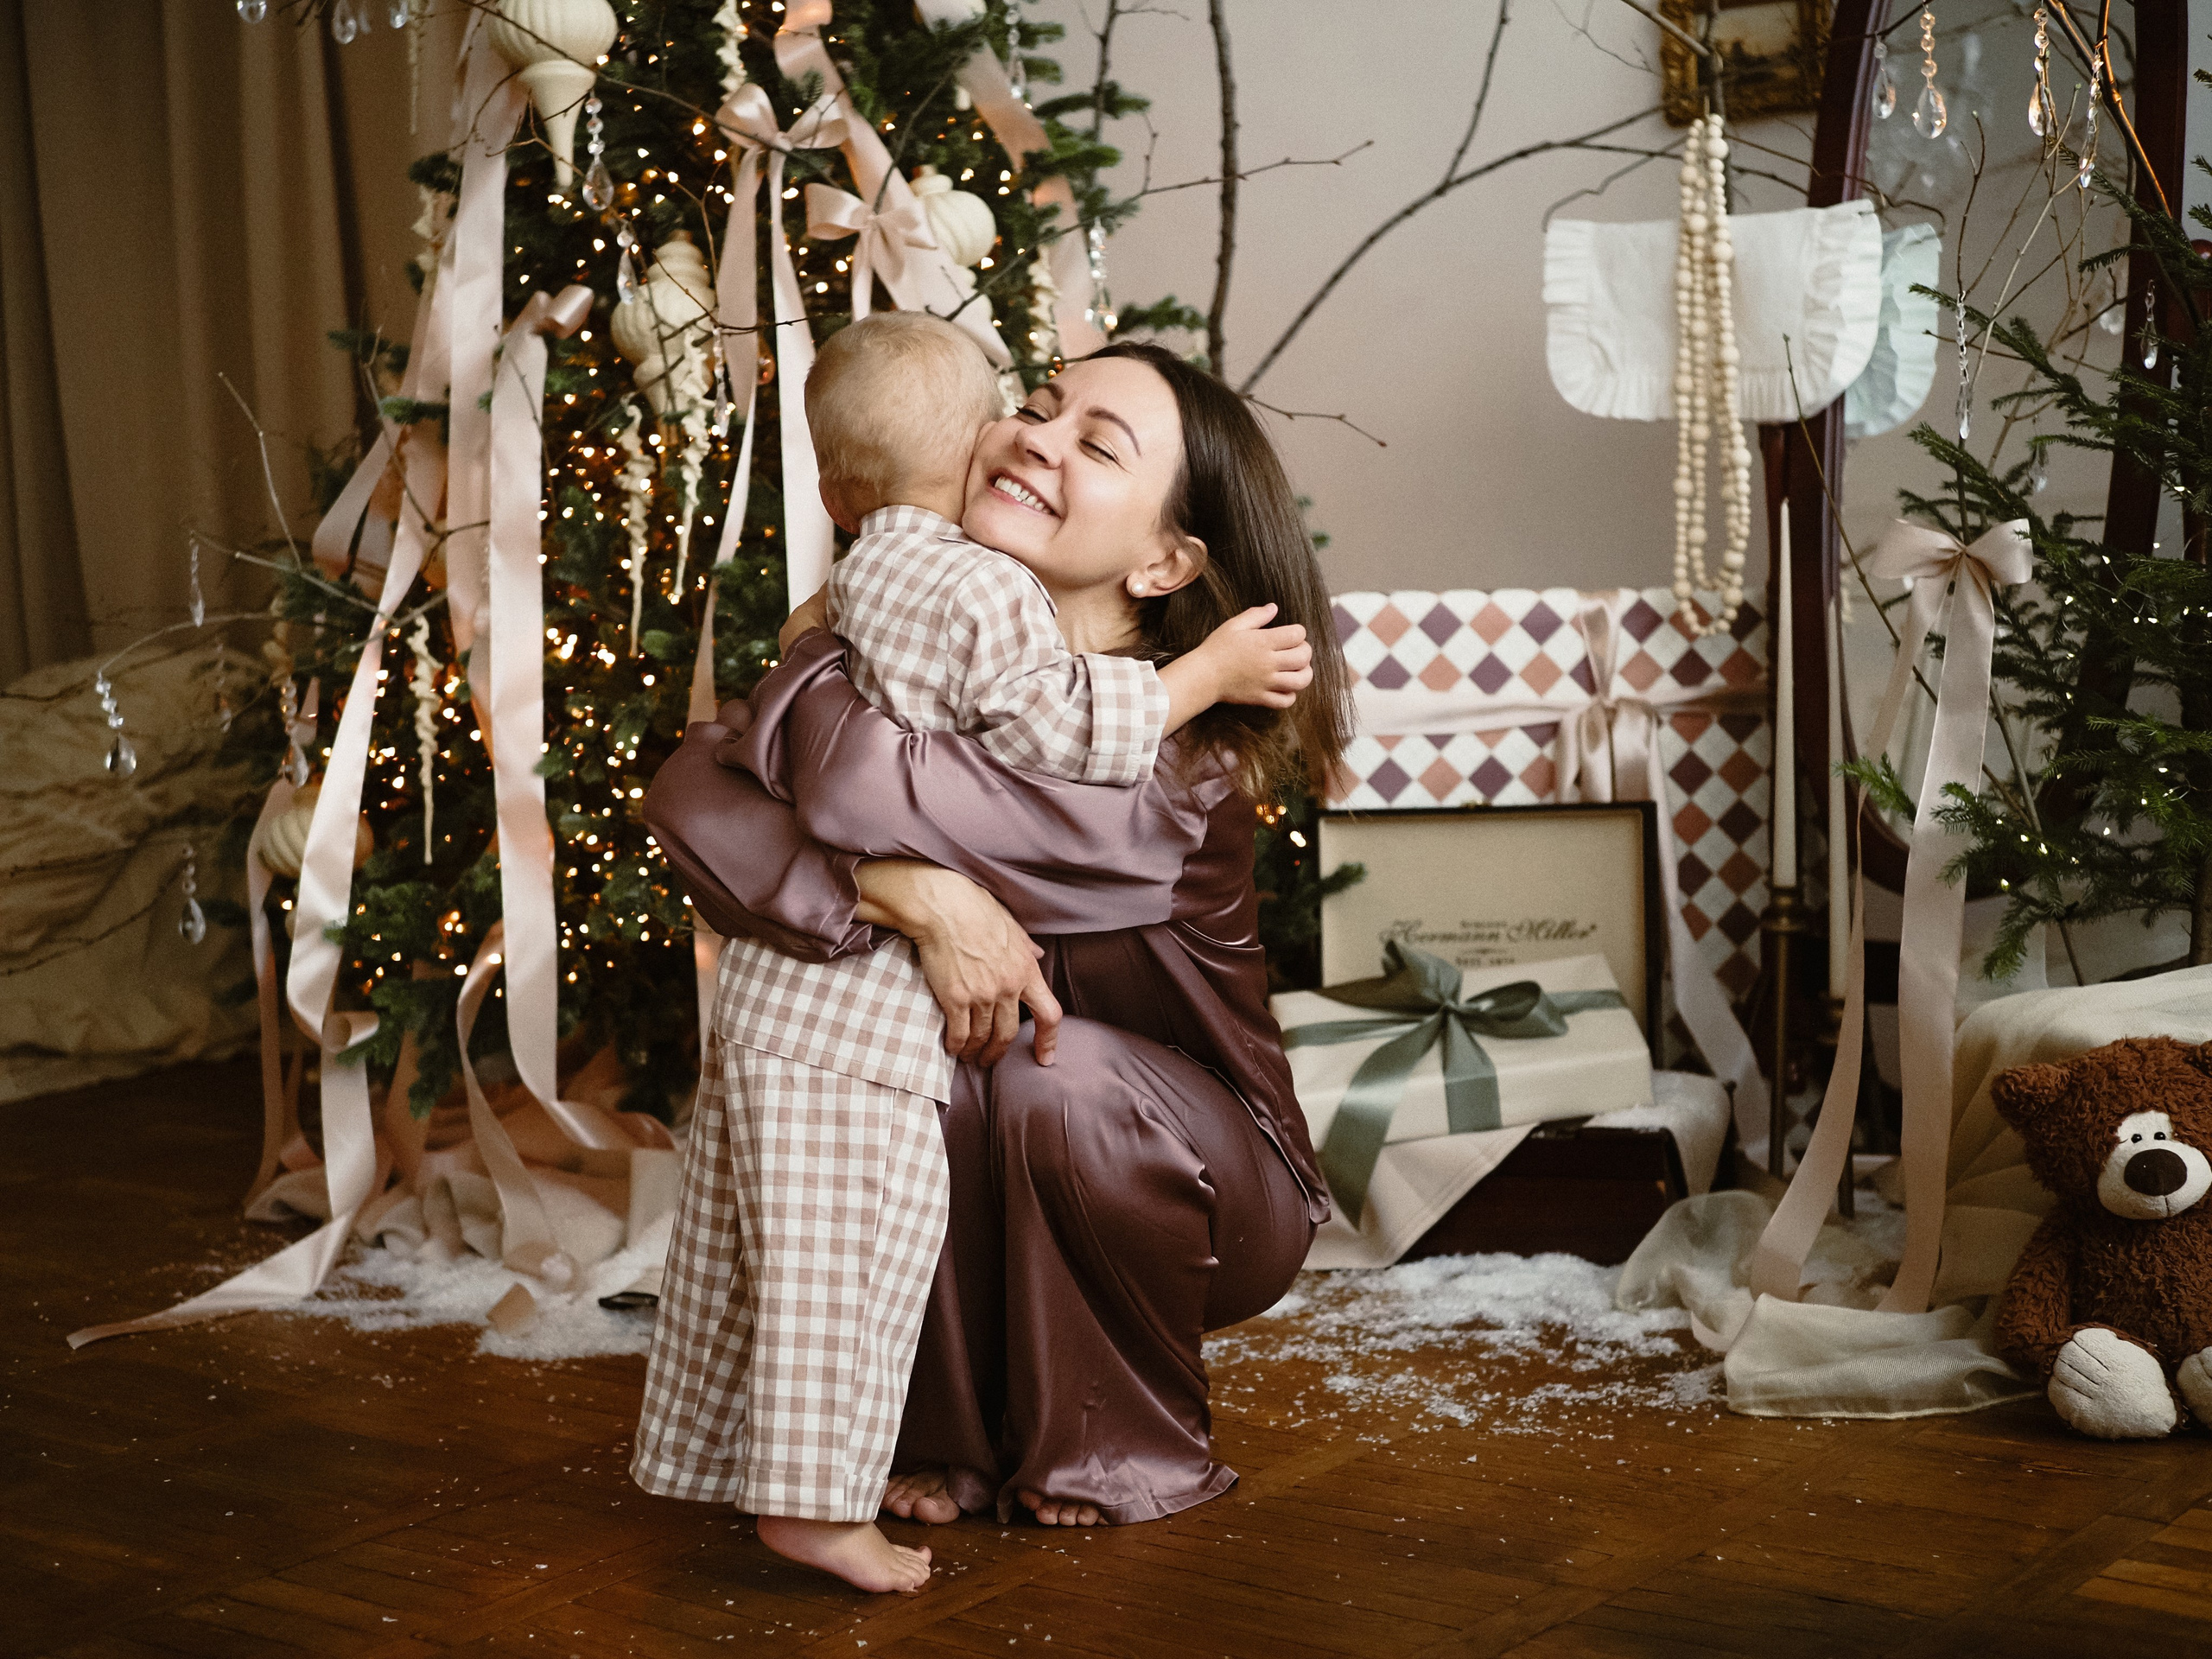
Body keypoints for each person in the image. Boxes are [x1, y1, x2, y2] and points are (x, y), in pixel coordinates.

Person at [631, 316, 1314, 1595]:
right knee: (901, 1066)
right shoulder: (925, 658)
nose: (1038, 438)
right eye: (1042, 403)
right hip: (995, 1088)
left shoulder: (1175, 762)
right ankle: (940, 1438)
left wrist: (872, 827)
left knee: (1041, 1064)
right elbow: (684, 796)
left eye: (1096, 444)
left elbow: (853, 786)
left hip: (1211, 1176)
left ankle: (1109, 1446)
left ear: (1166, 561)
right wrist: (924, 905)